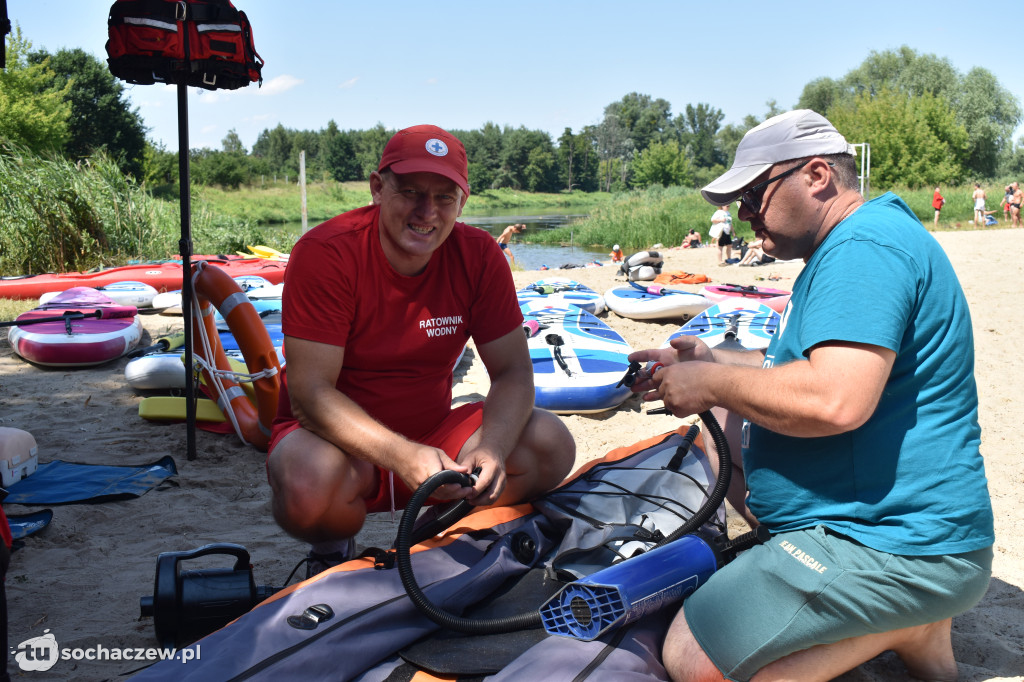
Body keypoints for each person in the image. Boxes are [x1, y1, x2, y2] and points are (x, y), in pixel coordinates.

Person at [627, 110, 993, 681]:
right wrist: (710, 361)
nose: (744, 215)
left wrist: (712, 382)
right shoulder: (854, 241)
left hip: (895, 543)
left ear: (817, 175)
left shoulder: (863, 249)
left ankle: (906, 622)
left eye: (754, 195)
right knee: (725, 412)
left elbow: (834, 400)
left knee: (693, 658)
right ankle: (902, 618)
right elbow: (794, 367)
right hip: (886, 525)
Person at [267, 125, 576, 576]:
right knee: (307, 487)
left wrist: (491, 447)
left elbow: (512, 372)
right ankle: (333, 546)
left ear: (462, 202)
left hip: (433, 434)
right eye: (410, 191)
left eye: (444, 197)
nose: (426, 212)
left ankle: (432, 532)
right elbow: (310, 396)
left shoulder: (480, 256)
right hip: (334, 443)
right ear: (378, 187)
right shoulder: (326, 252)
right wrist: (402, 456)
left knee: (551, 443)